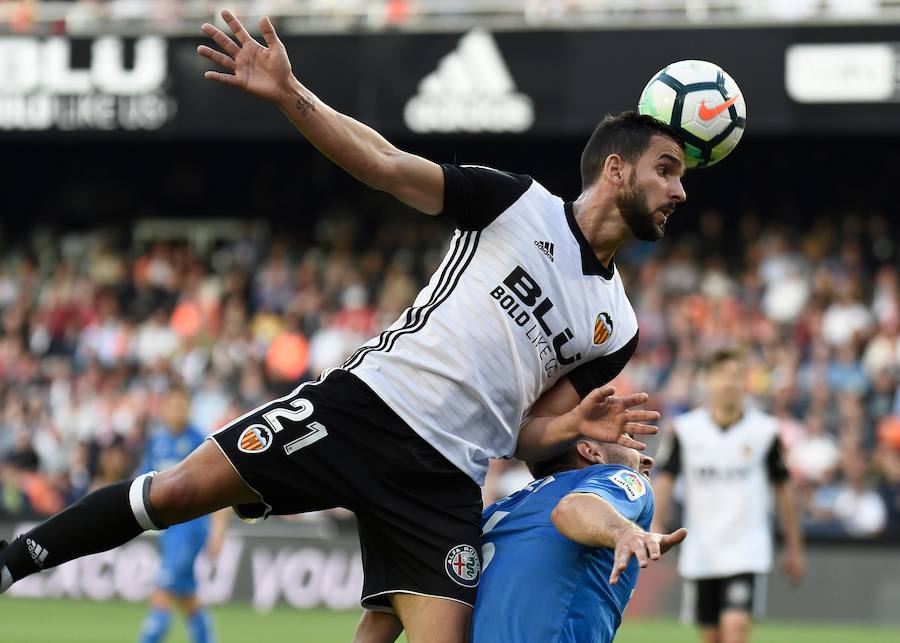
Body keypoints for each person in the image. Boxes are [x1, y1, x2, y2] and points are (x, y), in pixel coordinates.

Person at [0, 10, 686, 642]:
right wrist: (290, 93)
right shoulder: (517, 204)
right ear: (615, 168)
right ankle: (11, 561)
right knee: (178, 489)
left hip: (445, 477)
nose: (679, 191)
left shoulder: (617, 325)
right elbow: (386, 165)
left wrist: (571, 430)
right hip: (365, 406)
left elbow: (527, 436)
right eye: (666, 170)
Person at [354, 438, 687, 643]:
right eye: (629, 439)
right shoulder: (619, 479)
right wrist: (624, 531)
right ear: (591, 452)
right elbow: (572, 509)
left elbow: (412, 595)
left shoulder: (494, 514)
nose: (648, 459)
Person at [651, 348, 805, 643]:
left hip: (747, 549)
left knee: (735, 630)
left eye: (737, 376)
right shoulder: (685, 430)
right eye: (722, 375)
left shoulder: (765, 431)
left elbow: (784, 490)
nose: (730, 383)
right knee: (712, 635)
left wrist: (794, 548)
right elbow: (666, 479)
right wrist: (656, 524)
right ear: (708, 381)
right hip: (702, 550)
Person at [137, 386, 227, 643]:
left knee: (162, 591)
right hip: (168, 529)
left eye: (183, 405)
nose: (178, 411)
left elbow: (221, 489)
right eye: (173, 405)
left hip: (191, 527)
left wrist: (218, 531)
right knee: (186, 595)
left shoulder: (201, 441)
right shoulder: (157, 442)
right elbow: (143, 483)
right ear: (163, 408)